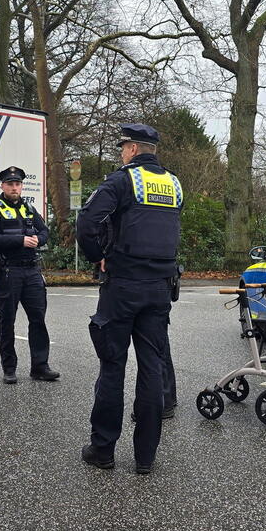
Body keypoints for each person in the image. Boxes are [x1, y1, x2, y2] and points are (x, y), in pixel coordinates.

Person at [77, 123, 183, 475]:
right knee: (152, 369)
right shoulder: (174, 184)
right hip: (159, 288)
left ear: (134, 150)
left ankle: (103, 450)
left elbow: (87, 222)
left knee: (112, 367)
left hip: (122, 285)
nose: (121, 152)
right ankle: (145, 458)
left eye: (123, 147)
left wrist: (97, 255)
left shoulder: (122, 180)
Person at [0, 166, 59, 384]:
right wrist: (20, 240)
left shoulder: (28, 207)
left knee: (38, 319)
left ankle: (40, 366)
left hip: (32, 270)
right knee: (7, 320)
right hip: (8, 270)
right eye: (10, 184)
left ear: (21, 186)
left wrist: (38, 240)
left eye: (18, 184)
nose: (15, 187)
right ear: (3, 186)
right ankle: (9, 368)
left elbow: (44, 232)